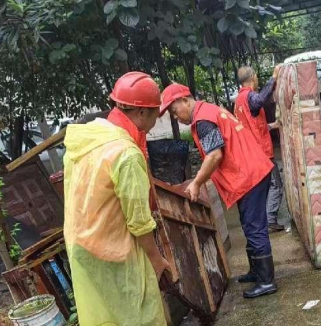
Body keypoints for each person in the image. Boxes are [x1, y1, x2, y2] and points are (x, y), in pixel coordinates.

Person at [64, 72, 173, 326]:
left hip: (81, 243)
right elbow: (138, 221)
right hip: (112, 248)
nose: (158, 118)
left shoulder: (92, 138)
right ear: (142, 112)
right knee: (140, 314)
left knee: (105, 316)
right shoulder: (125, 154)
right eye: (156, 111)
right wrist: (157, 260)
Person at [160, 84, 277, 299]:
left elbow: (215, 155)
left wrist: (196, 183)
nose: (176, 117)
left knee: (254, 226)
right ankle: (256, 271)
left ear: (185, 100)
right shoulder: (209, 111)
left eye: (174, 111)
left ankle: (267, 280)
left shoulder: (203, 119)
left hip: (249, 175)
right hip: (249, 171)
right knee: (248, 222)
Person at [234, 65, 285, 233]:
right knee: (275, 185)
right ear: (253, 77)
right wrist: (274, 77)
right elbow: (260, 100)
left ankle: (264, 220)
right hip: (261, 152)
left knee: (264, 188)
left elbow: (254, 125)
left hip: (251, 152)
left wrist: (273, 125)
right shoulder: (249, 97)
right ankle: (269, 219)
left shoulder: (239, 101)